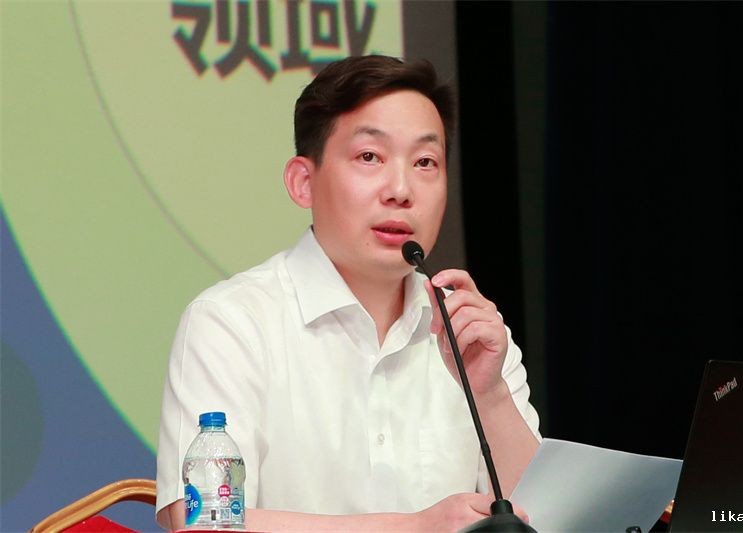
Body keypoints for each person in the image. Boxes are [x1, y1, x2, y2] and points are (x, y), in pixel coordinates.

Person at [155, 55, 541, 532]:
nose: (400, 190)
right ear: (303, 182)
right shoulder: (231, 323)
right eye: (370, 157)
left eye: (425, 162)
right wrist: (414, 529)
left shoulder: (470, 333)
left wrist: (491, 395)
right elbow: (204, 523)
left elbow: (547, 519)